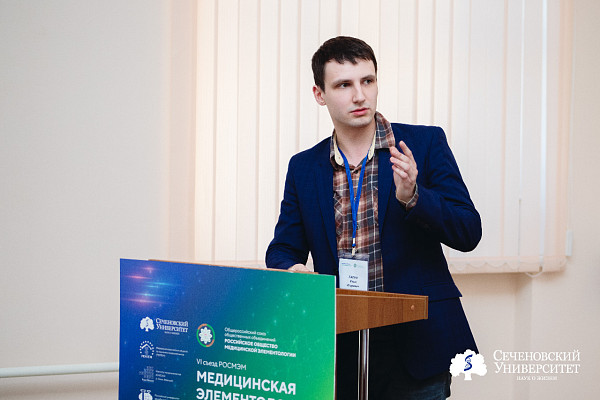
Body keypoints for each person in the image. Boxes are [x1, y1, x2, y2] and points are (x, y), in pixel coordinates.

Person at [266, 36, 481, 399]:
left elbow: (469, 231)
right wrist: (294, 272)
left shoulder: (424, 144)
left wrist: (415, 196)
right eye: (343, 85)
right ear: (319, 94)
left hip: (418, 341)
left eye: (367, 81)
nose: (359, 96)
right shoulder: (304, 168)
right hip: (340, 346)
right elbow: (283, 249)